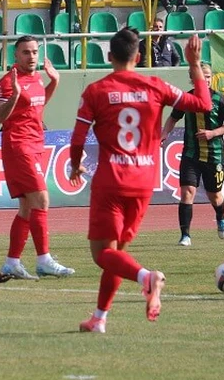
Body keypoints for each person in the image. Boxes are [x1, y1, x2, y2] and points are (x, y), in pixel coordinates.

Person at [69, 30, 211, 331]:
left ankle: (147, 278)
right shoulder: (156, 86)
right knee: (117, 255)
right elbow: (203, 103)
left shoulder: (96, 91)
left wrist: (75, 163)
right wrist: (194, 64)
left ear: (109, 57)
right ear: (139, 57)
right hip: (144, 183)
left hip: (111, 182)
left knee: (103, 254)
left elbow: (78, 136)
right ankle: (99, 318)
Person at [0, 36, 75, 280]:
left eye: (35, 52)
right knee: (41, 199)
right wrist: (14, 96)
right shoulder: (7, 82)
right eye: (26, 52)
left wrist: (54, 82)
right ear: (16, 55)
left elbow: (37, 104)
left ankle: (11, 263)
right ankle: (44, 259)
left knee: (27, 207)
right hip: (19, 145)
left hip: (36, 143)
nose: (31, 56)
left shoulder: (38, 78)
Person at [160, 61, 224, 246]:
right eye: (201, 77)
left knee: (214, 196)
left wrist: (213, 133)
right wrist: (164, 133)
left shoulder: (219, 99)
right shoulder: (186, 99)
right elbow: (173, 118)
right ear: (193, 79)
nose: (205, 80)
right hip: (190, 154)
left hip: (214, 155)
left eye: (208, 77)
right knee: (187, 192)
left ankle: (221, 217)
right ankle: (185, 235)